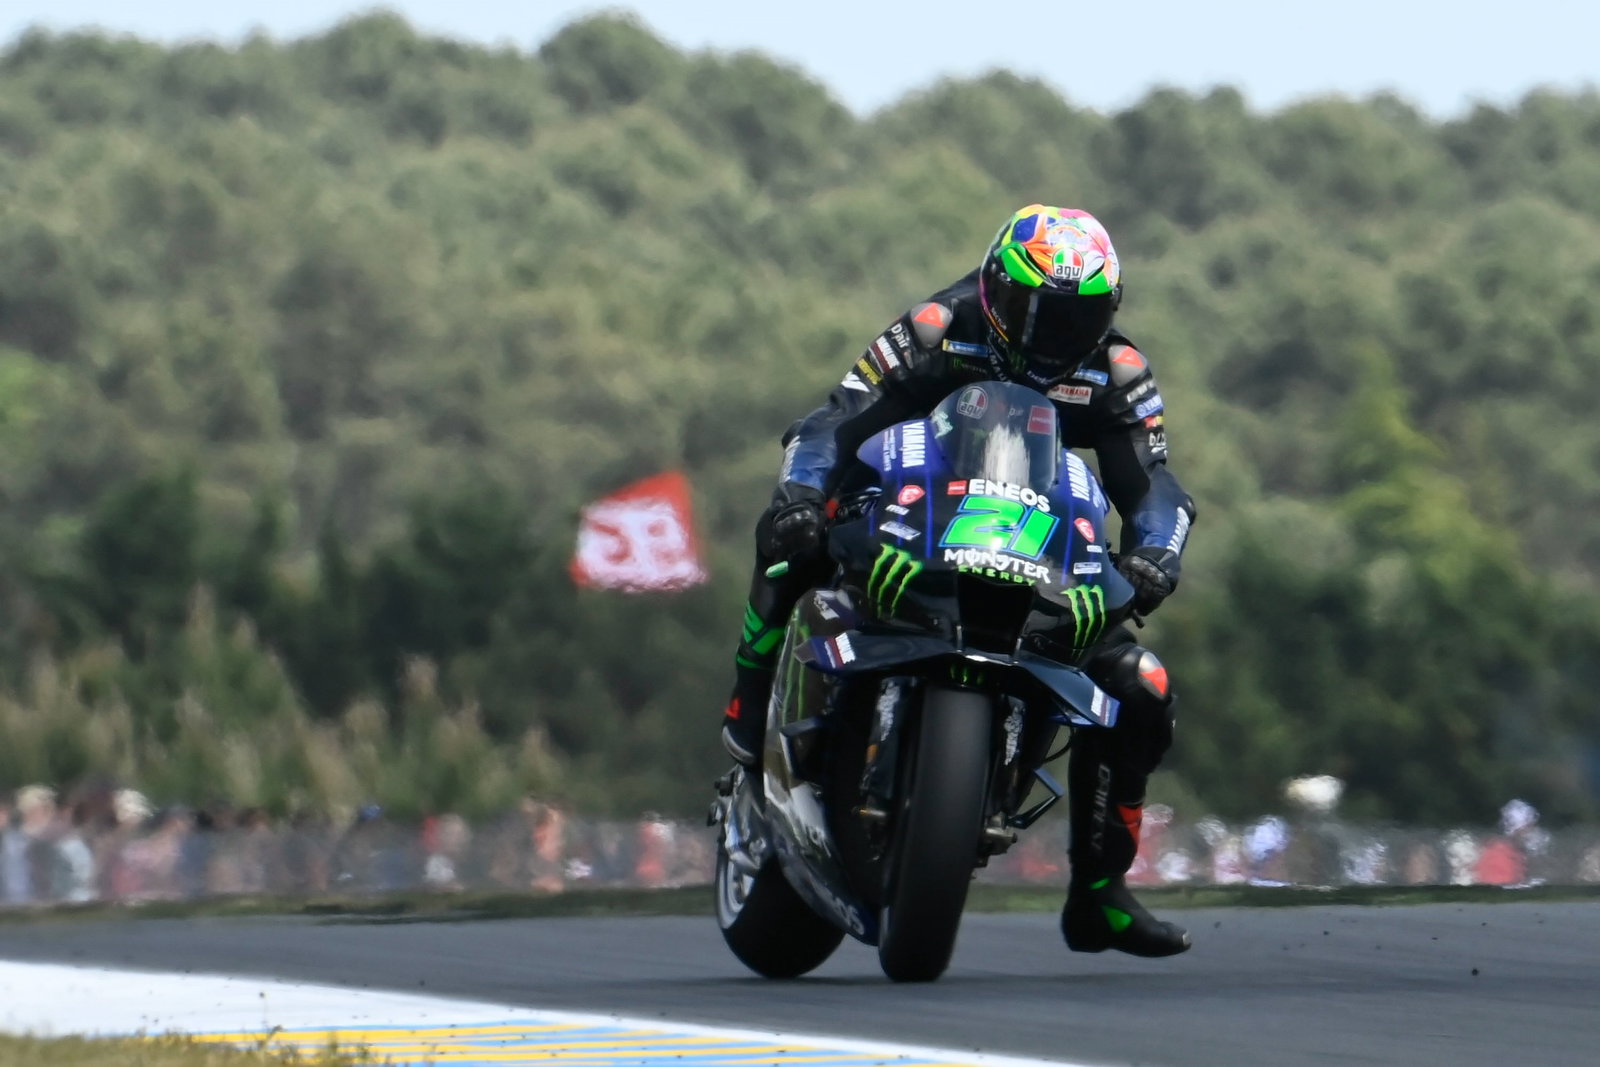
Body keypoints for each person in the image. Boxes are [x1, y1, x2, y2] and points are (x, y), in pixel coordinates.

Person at [718, 204, 1197, 958]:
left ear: (1106, 314)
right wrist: (806, 495)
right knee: (788, 538)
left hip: (1041, 556)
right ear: (993, 283)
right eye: (1028, 307)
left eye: (1071, 318)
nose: (1045, 333)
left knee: (1144, 684)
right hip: (915, 518)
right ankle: (747, 707)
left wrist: (1154, 555)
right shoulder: (938, 326)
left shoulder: (1119, 371)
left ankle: (1100, 894)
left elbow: (1155, 488)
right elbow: (835, 421)